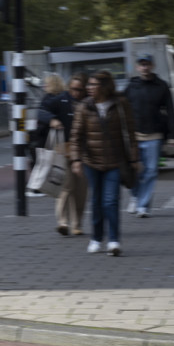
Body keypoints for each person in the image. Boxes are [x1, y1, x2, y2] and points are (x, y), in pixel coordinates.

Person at [70, 70, 139, 257]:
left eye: (93, 85)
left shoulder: (121, 104)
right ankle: (96, 238)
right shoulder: (84, 106)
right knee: (97, 201)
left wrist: (134, 158)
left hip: (116, 161)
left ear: (105, 86)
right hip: (91, 162)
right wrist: (76, 160)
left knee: (110, 201)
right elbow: (76, 136)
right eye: (89, 85)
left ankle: (114, 240)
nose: (89, 88)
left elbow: (131, 134)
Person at [126, 53, 174, 217]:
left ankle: (143, 206)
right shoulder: (132, 86)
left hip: (154, 134)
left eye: (147, 64)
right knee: (133, 170)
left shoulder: (161, 86)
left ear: (152, 66)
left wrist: (173, 134)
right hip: (134, 135)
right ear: (137, 67)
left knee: (151, 171)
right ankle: (135, 196)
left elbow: (170, 110)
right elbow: (122, 107)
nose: (144, 67)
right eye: (141, 64)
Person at [40, 74, 85, 235]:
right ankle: (63, 221)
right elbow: (42, 111)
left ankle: (77, 224)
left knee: (80, 190)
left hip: (82, 151)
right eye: (73, 89)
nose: (76, 93)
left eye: (80, 90)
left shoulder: (88, 102)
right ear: (68, 87)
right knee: (66, 186)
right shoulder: (60, 100)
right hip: (64, 150)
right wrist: (52, 120)